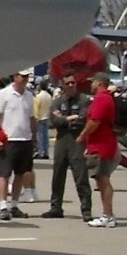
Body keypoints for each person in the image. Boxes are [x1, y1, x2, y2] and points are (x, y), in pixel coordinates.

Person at [41, 74, 92, 221]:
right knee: (58, 174)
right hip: (61, 140)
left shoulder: (84, 100)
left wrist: (65, 120)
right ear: (62, 85)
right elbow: (54, 120)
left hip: (77, 140)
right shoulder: (57, 102)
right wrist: (69, 119)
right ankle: (56, 207)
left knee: (80, 175)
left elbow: (82, 119)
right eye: (67, 83)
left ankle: (86, 209)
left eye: (73, 82)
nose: (70, 85)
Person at [78, 74, 120, 227]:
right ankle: (107, 214)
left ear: (99, 83)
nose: (91, 85)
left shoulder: (102, 98)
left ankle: (108, 215)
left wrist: (82, 136)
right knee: (101, 179)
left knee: (103, 179)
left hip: (102, 145)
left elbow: (94, 121)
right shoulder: (105, 98)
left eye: (93, 82)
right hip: (100, 143)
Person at [0, 72, 36, 220]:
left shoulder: (29, 96)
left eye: (27, 77)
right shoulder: (4, 94)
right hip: (8, 140)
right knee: (4, 174)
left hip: (24, 139)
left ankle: (14, 205)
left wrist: (34, 138)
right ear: (15, 77)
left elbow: (31, 118)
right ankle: (3, 206)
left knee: (20, 174)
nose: (25, 79)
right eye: (22, 76)